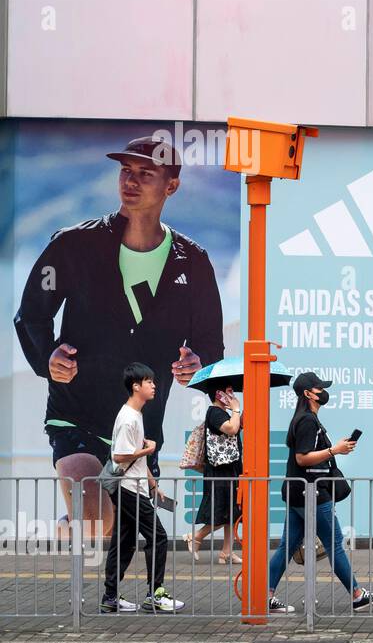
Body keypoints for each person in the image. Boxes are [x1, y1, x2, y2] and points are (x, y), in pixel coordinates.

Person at [14, 135, 223, 543]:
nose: (131, 180)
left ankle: (106, 574)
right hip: (76, 408)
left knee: (116, 531)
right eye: (126, 171)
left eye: (146, 173)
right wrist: (48, 358)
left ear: (171, 186)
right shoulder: (72, 244)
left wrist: (197, 365)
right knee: (94, 521)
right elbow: (32, 314)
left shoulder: (194, 261)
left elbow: (210, 345)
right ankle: (74, 529)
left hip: (141, 425)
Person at [268, 372, 373, 614]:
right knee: (335, 544)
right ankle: (357, 595)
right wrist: (335, 450)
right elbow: (302, 458)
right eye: (319, 388)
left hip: (299, 492)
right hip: (310, 493)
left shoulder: (304, 418)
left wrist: (336, 448)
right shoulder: (307, 420)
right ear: (308, 393)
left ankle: (265, 595)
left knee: (287, 546)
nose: (323, 391)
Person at [101, 363, 184, 613]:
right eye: (149, 382)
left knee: (123, 542)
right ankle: (155, 594)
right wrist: (149, 449)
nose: (154, 386)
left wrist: (151, 482)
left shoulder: (135, 415)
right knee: (158, 537)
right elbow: (119, 456)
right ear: (136, 386)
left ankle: (110, 597)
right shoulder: (128, 418)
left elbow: (134, 457)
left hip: (134, 486)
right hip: (128, 489)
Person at [185, 386, 243, 565]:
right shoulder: (215, 413)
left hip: (230, 468)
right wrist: (236, 409)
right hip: (220, 470)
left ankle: (226, 551)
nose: (232, 395)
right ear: (219, 394)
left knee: (232, 512)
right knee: (221, 512)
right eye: (228, 391)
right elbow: (232, 429)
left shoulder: (223, 412)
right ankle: (195, 536)